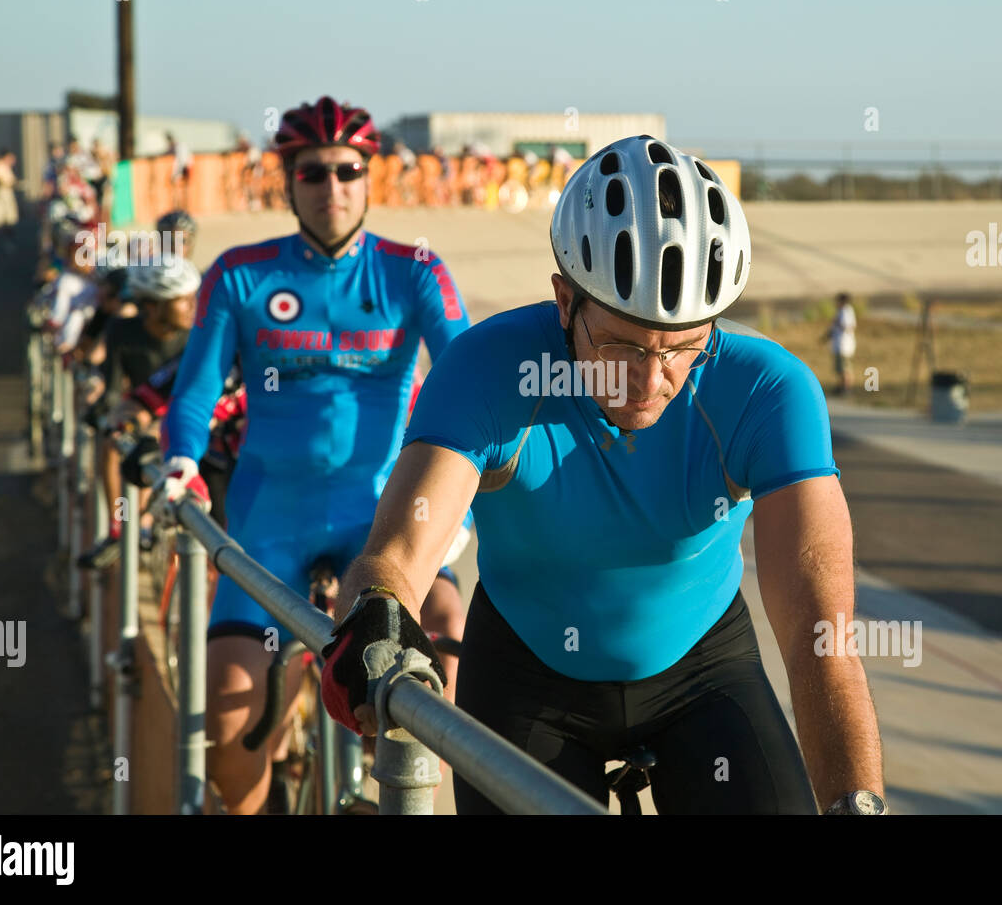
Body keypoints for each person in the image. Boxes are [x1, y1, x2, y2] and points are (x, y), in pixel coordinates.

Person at [320, 135, 886, 815]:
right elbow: (398, 556)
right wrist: (378, 610)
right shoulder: (487, 369)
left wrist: (858, 802)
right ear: (564, 300)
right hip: (529, 676)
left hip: (702, 670)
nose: (651, 379)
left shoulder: (769, 390)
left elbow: (820, 635)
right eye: (621, 344)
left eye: (683, 348)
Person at [151, 97, 472, 815]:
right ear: (287, 182)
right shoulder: (239, 274)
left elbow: (467, 383)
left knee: (449, 642)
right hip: (271, 527)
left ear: (370, 177)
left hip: (385, 520)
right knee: (229, 734)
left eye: (348, 171)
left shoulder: (414, 270)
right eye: (313, 172)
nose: (332, 188)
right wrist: (181, 460)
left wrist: (462, 502)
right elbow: (196, 395)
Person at [78, 256, 202, 569]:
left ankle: (145, 521)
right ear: (152, 305)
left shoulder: (199, 336)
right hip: (142, 411)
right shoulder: (123, 330)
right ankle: (119, 529)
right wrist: (104, 409)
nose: (193, 306)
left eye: (193, 298)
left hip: (188, 419)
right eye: (182, 300)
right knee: (113, 441)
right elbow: (112, 386)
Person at [821, 292, 857, 396]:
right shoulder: (841, 311)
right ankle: (841, 386)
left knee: (845, 368)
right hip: (839, 345)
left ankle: (847, 388)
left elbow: (848, 326)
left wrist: (837, 323)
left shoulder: (846, 311)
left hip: (844, 345)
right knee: (840, 368)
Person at [167, 132, 193, 209]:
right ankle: (182, 206)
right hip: (185, 167)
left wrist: (175, 174)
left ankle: (181, 206)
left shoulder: (179, 147)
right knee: (183, 188)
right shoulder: (180, 146)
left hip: (184, 168)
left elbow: (180, 162)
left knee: (180, 188)